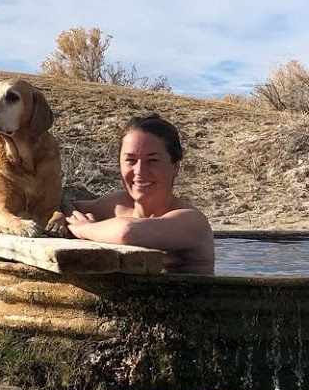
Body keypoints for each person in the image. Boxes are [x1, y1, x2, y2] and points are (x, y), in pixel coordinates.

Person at [65, 114, 215, 272]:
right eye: (130, 160)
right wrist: (68, 217)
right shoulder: (116, 206)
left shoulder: (192, 221)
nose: (139, 172)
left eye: (152, 161)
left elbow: (127, 232)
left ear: (175, 166)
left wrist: (84, 229)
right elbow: (68, 207)